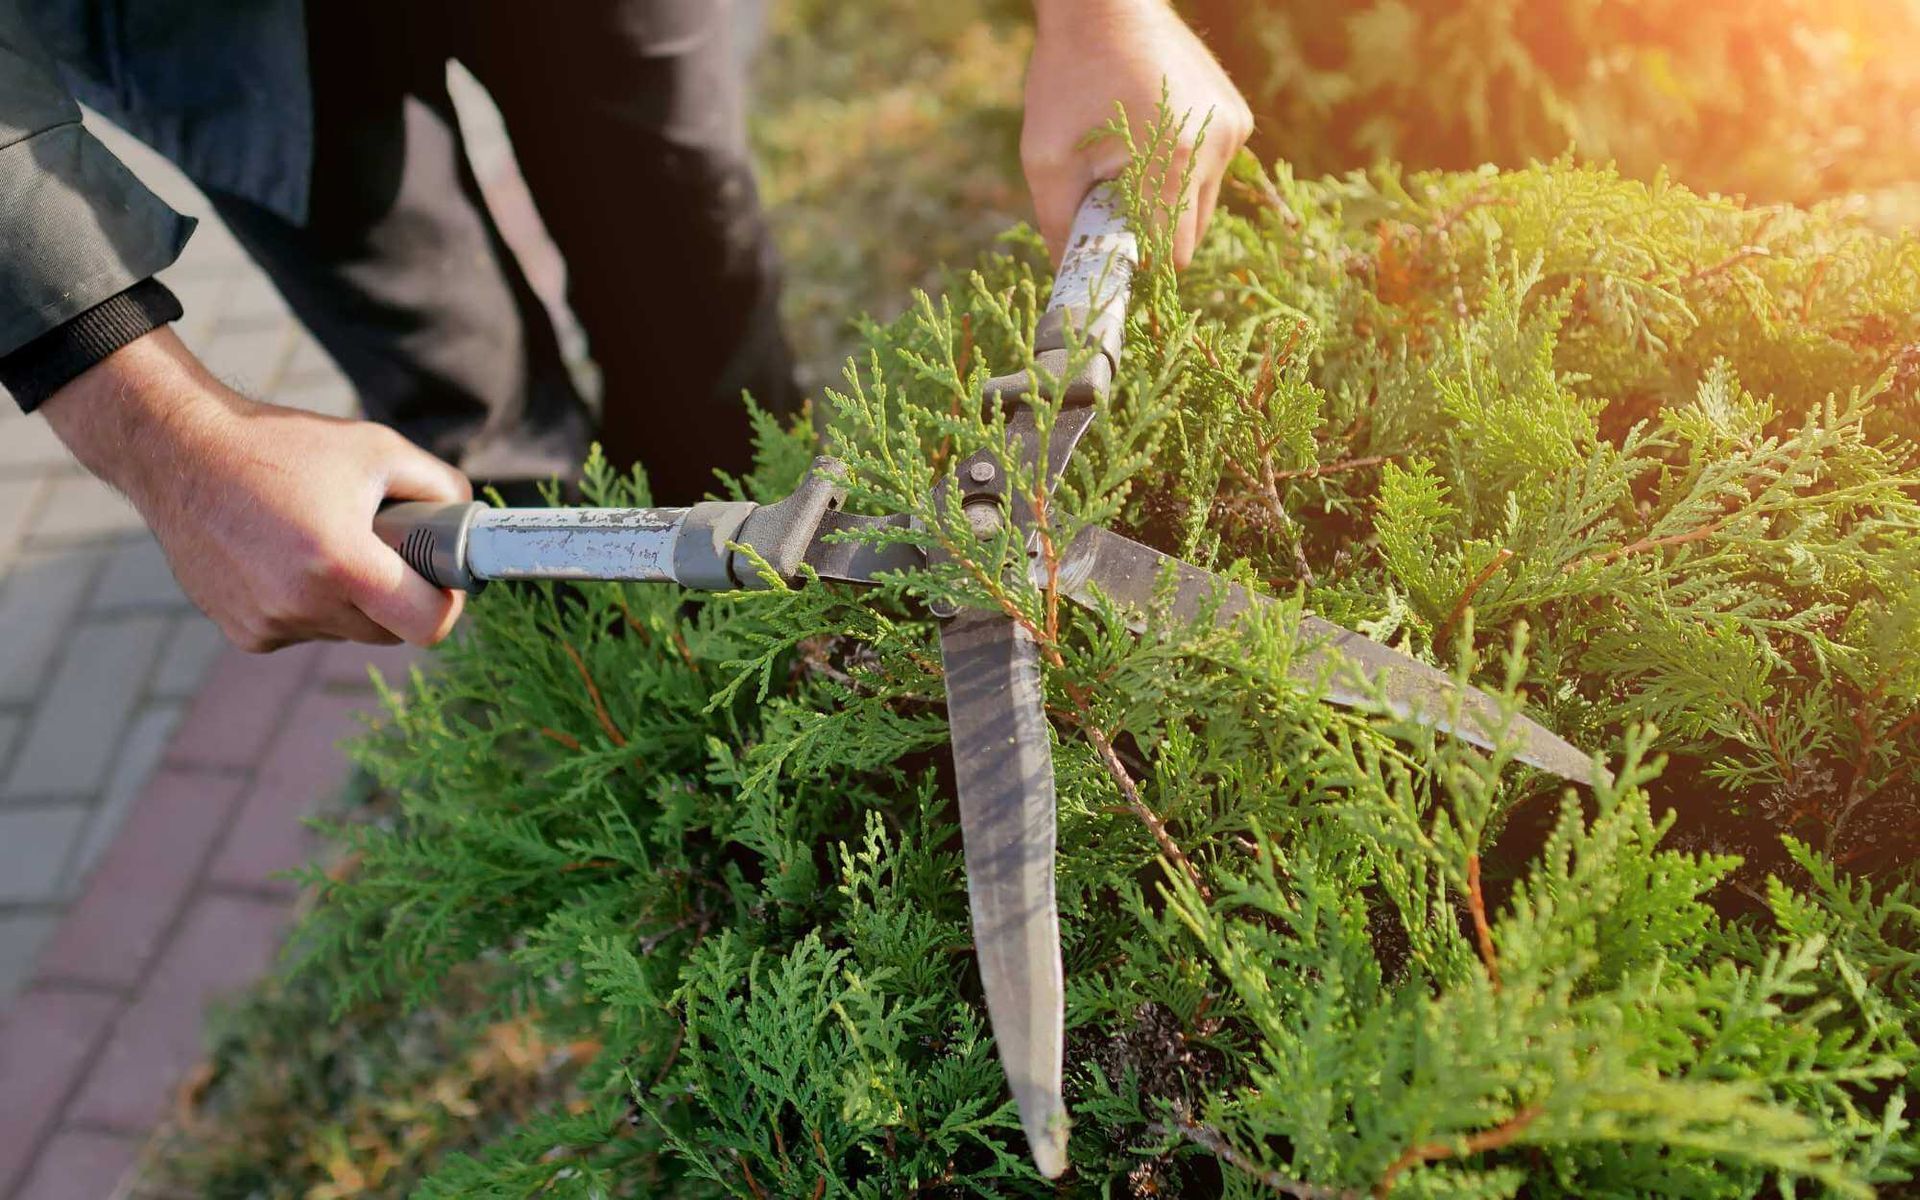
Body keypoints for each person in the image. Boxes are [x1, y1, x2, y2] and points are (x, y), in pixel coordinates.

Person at [0, 0, 1250, 653]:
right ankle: (620, 680)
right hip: (210, 24)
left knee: (694, 284)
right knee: (463, 408)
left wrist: (1102, 9)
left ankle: (786, 654)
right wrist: (147, 414)